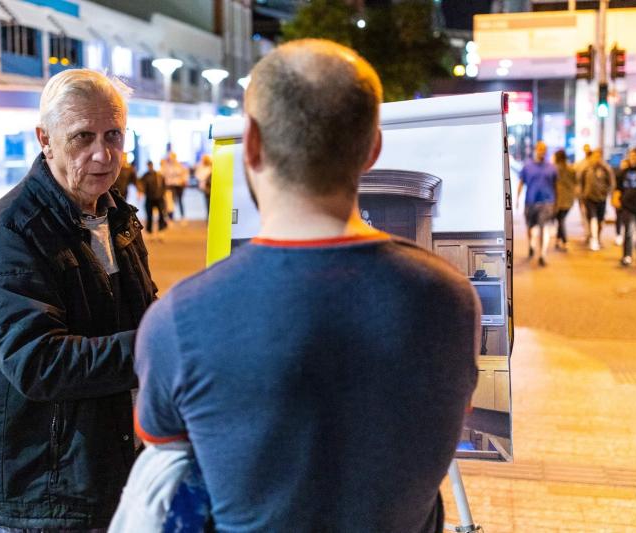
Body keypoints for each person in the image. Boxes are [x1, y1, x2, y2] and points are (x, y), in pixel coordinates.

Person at [131, 39, 478, 532]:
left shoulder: (179, 319)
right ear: (373, 148)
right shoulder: (450, 299)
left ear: (251, 143)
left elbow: (167, 455)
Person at [0, 69, 158, 532]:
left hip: (112, 471)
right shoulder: (13, 232)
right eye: (83, 137)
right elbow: (38, 362)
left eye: (114, 135)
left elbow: (138, 315)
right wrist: (162, 345)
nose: (103, 154)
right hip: (49, 494)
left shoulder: (115, 214)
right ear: (45, 140)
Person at [517, 140, 557, 266]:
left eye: (544, 149)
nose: (542, 152)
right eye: (539, 149)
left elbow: (556, 185)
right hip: (530, 201)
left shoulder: (551, 167)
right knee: (530, 227)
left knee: (544, 227)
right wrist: (517, 199)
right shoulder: (527, 166)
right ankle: (531, 245)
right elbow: (521, 183)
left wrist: (556, 202)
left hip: (547, 202)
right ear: (535, 150)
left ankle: (542, 254)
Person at [579, 148, 615, 251]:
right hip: (589, 198)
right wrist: (582, 195)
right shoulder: (586, 168)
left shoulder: (606, 169)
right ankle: (593, 239)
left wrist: (606, 193)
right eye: (594, 156)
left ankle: (597, 237)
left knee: (600, 221)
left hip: (601, 199)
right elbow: (581, 182)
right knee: (592, 218)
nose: (596, 158)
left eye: (598, 156)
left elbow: (611, 183)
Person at [553, 149, 576, 251]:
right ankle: (558, 240)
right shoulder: (571, 169)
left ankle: (565, 241)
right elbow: (575, 182)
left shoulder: (555, 169)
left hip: (558, 198)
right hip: (569, 198)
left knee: (560, 219)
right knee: (561, 219)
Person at [139, 160, 168, 236]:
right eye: (149, 165)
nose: (150, 167)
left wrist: (163, 193)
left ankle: (161, 229)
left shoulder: (158, 175)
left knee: (161, 214)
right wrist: (140, 191)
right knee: (149, 215)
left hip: (159, 197)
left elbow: (163, 185)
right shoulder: (145, 176)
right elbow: (140, 184)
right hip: (149, 198)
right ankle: (149, 231)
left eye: (150, 165)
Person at [161, 152, 189, 222]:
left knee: (180, 200)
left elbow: (185, 174)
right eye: (170, 157)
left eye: (172, 157)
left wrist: (184, 180)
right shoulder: (166, 166)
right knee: (170, 201)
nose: (171, 159)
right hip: (170, 185)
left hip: (179, 185)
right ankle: (171, 217)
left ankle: (182, 216)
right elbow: (162, 174)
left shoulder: (180, 165)